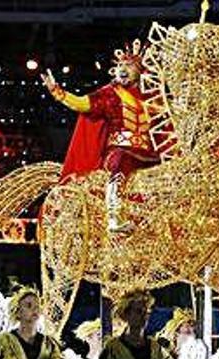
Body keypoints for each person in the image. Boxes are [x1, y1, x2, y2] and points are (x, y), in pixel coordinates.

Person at [41, 39, 158, 233]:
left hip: (148, 154)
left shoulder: (152, 97)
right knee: (120, 161)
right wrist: (57, 92)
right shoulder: (110, 94)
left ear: (140, 70)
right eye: (120, 65)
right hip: (121, 150)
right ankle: (114, 217)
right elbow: (82, 104)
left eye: (128, 65)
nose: (122, 69)